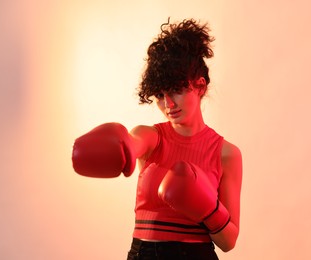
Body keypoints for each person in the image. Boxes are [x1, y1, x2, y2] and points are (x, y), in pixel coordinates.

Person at [72, 18, 242, 260]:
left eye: (176, 90)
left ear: (200, 86)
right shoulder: (151, 136)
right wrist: (124, 149)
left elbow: (229, 241)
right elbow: (133, 141)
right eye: (159, 95)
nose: (168, 104)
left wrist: (208, 208)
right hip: (143, 254)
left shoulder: (227, 153)